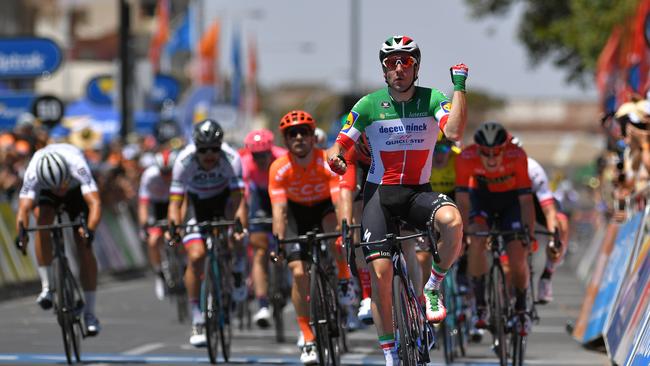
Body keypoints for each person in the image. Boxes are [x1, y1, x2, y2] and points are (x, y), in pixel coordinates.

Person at [327, 35, 468, 365]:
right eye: (392, 62)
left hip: (418, 191)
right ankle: (390, 354)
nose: (399, 68)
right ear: (384, 70)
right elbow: (340, 144)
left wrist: (459, 86)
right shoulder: (369, 104)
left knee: (454, 222)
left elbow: (456, 132)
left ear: (416, 67)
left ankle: (433, 286)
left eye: (406, 61)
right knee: (380, 273)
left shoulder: (432, 98)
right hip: (380, 196)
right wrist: (336, 159)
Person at [269, 110, 355, 365]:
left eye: (304, 132)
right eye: (292, 134)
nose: (299, 137)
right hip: (296, 214)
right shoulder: (278, 168)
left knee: (335, 234)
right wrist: (279, 243)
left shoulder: (325, 161)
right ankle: (307, 335)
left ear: (312, 136)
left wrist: (344, 230)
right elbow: (280, 211)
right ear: (285, 140)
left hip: (323, 209)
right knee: (297, 272)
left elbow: (338, 200)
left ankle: (343, 278)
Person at [167, 119, 247, 347]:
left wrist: (238, 226)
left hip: (224, 201)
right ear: (196, 147)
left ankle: (238, 268)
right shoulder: (184, 161)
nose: (210, 154)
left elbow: (239, 199)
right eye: (204, 150)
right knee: (196, 256)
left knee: (238, 234)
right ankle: (197, 316)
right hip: (197, 204)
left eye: (215, 148)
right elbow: (175, 202)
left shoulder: (231, 159)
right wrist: (174, 227)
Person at [455, 122, 536, 335]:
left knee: (518, 253)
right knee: (477, 239)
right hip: (481, 201)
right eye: (486, 153)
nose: (491, 158)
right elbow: (463, 202)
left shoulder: (517, 155)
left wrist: (530, 232)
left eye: (496, 152)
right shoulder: (465, 157)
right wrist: (462, 235)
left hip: (511, 203)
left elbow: (526, 201)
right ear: (477, 149)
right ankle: (480, 305)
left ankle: (520, 308)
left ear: (505, 148)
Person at [15, 143, 102, 335]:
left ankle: (90, 313)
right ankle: (47, 286)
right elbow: (24, 209)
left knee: (84, 245)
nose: (59, 190)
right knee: (43, 222)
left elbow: (95, 202)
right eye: (55, 187)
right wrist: (21, 235)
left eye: (61, 184)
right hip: (46, 195)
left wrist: (90, 230)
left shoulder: (77, 165)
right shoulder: (33, 172)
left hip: (76, 193)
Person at [240, 129, 287, 328]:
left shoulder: (282, 158)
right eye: (256, 156)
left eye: (264, 155)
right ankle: (262, 304)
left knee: (282, 243)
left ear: (271, 151)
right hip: (260, 197)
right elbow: (242, 197)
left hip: (283, 195)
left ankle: (283, 279)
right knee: (259, 252)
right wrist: (243, 223)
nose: (260, 160)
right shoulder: (244, 163)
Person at [137, 148, 178, 300]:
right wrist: (144, 225)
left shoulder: (179, 175)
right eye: (163, 172)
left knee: (179, 237)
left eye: (169, 172)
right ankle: (159, 272)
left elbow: (186, 201)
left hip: (175, 204)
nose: (166, 176)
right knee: (153, 241)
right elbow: (143, 204)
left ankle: (183, 264)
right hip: (157, 206)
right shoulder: (149, 176)